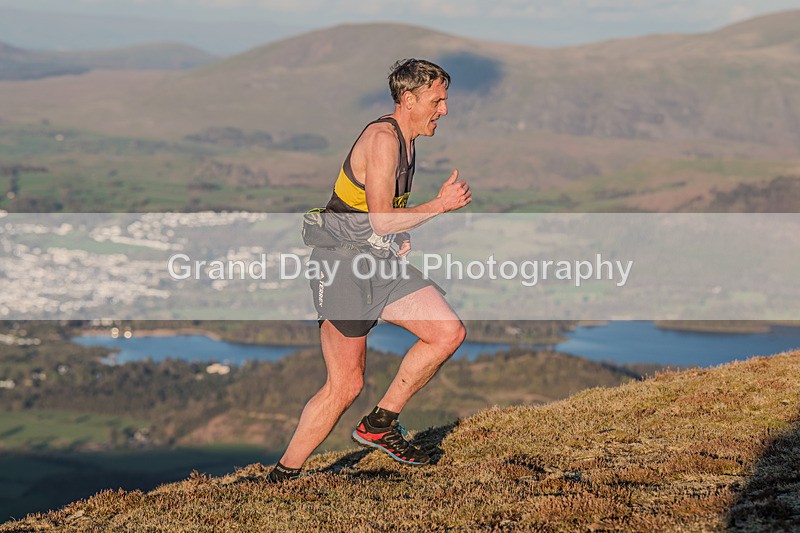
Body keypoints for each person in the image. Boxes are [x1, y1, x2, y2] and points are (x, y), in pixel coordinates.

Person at [268, 58, 472, 482]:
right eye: (438, 100)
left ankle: (379, 424)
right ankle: (284, 476)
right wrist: (439, 205)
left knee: (447, 331)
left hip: (376, 261)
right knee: (345, 385)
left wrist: (396, 237)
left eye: (445, 100)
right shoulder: (383, 139)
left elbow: (377, 219)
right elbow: (379, 218)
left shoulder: (408, 141)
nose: (444, 110)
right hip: (341, 267)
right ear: (408, 99)